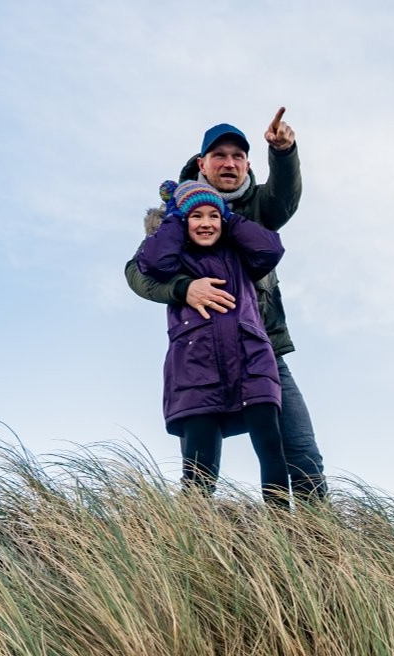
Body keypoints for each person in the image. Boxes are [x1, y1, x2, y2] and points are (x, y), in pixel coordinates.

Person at [125, 112, 326, 499]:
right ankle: (193, 535)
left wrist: (283, 152)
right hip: (200, 355)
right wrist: (184, 289)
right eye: (219, 155)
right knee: (200, 470)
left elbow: (284, 200)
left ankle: (312, 534)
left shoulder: (256, 208)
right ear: (202, 164)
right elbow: (138, 272)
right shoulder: (174, 216)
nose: (229, 163)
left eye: (238, 156)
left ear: (247, 164)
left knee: (301, 451)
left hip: (260, 349)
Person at [135, 179, 287, 502]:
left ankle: (282, 522)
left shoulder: (239, 253)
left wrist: (229, 218)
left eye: (213, 216)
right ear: (182, 220)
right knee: (199, 466)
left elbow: (270, 249)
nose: (206, 223)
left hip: (252, 362)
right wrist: (174, 218)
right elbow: (152, 263)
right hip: (196, 368)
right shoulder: (176, 259)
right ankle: (195, 525)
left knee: (271, 448)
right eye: (196, 216)